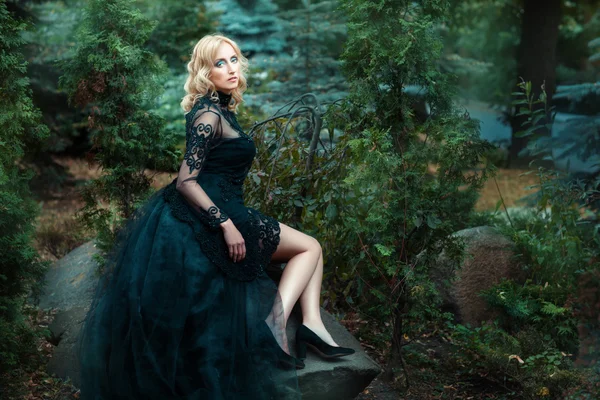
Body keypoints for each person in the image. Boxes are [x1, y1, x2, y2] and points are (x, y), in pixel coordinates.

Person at [77, 33, 354, 400]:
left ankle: (310, 325)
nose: (230, 69)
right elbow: (185, 181)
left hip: (224, 206)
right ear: (205, 72)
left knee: (311, 249)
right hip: (213, 213)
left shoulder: (223, 109)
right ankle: (280, 322)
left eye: (234, 59)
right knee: (309, 248)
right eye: (219, 63)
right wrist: (225, 225)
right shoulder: (209, 113)